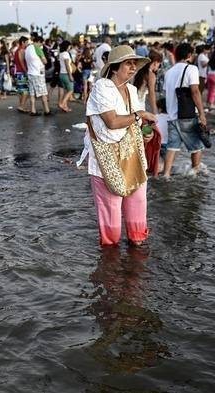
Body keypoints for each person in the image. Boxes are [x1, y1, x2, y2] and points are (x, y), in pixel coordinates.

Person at [78, 45, 156, 247]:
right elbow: (112, 122)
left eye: (135, 64)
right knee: (111, 219)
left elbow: (135, 122)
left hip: (131, 157)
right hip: (107, 160)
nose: (133, 68)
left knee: (137, 207)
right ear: (114, 67)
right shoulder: (102, 87)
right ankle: (111, 262)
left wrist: (144, 131)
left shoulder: (131, 90)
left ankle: (135, 253)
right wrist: (139, 116)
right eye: (128, 63)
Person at [162, 43, 207, 178]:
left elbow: (167, 93)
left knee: (172, 147)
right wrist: (202, 114)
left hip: (171, 116)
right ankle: (195, 172)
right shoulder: (191, 69)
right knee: (197, 146)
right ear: (188, 55)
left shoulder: (169, 72)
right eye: (192, 54)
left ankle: (166, 175)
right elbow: (194, 91)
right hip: (187, 116)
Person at [24, 35, 52, 116]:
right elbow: (45, 61)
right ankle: (47, 110)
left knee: (32, 93)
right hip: (38, 74)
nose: (41, 45)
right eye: (41, 44)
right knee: (43, 92)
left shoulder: (28, 48)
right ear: (39, 42)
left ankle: (33, 110)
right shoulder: (37, 48)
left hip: (30, 73)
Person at [13, 36, 29, 113]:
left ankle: (22, 106)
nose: (27, 44)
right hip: (21, 72)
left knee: (21, 91)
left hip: (18, 72)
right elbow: (22, 62)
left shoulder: (17, 50)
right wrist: (26, 71)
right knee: (26, 91)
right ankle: (21, 106)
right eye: (26, 42)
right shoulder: (21, 50)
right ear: (22, 42)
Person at [57, 40, 74, 113]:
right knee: (70, 90)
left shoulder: (61, 54)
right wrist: (70, 75)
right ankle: (62, 103)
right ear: (67, 46)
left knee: (66, 91)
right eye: (69, 46)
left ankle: (65, 107)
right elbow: (67, 65)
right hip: (66, 74)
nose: (70, 47)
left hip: (61, 74)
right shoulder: (66, 54)